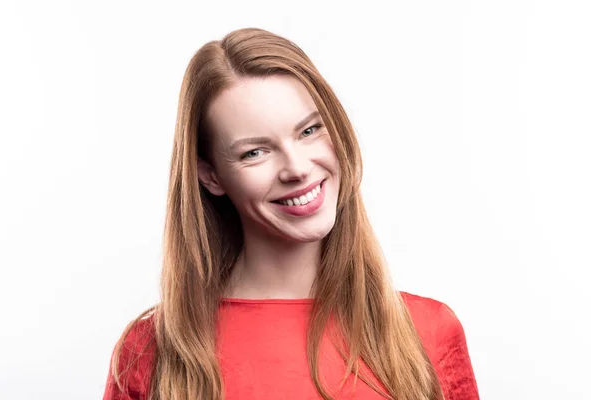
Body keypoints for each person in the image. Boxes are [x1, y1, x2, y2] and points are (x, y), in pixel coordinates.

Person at [102, 27, 480, 400]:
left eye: (309, 130)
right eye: (255, 152)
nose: (297, 167)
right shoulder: (152, 353)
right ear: (211, 176)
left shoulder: (427, 332)